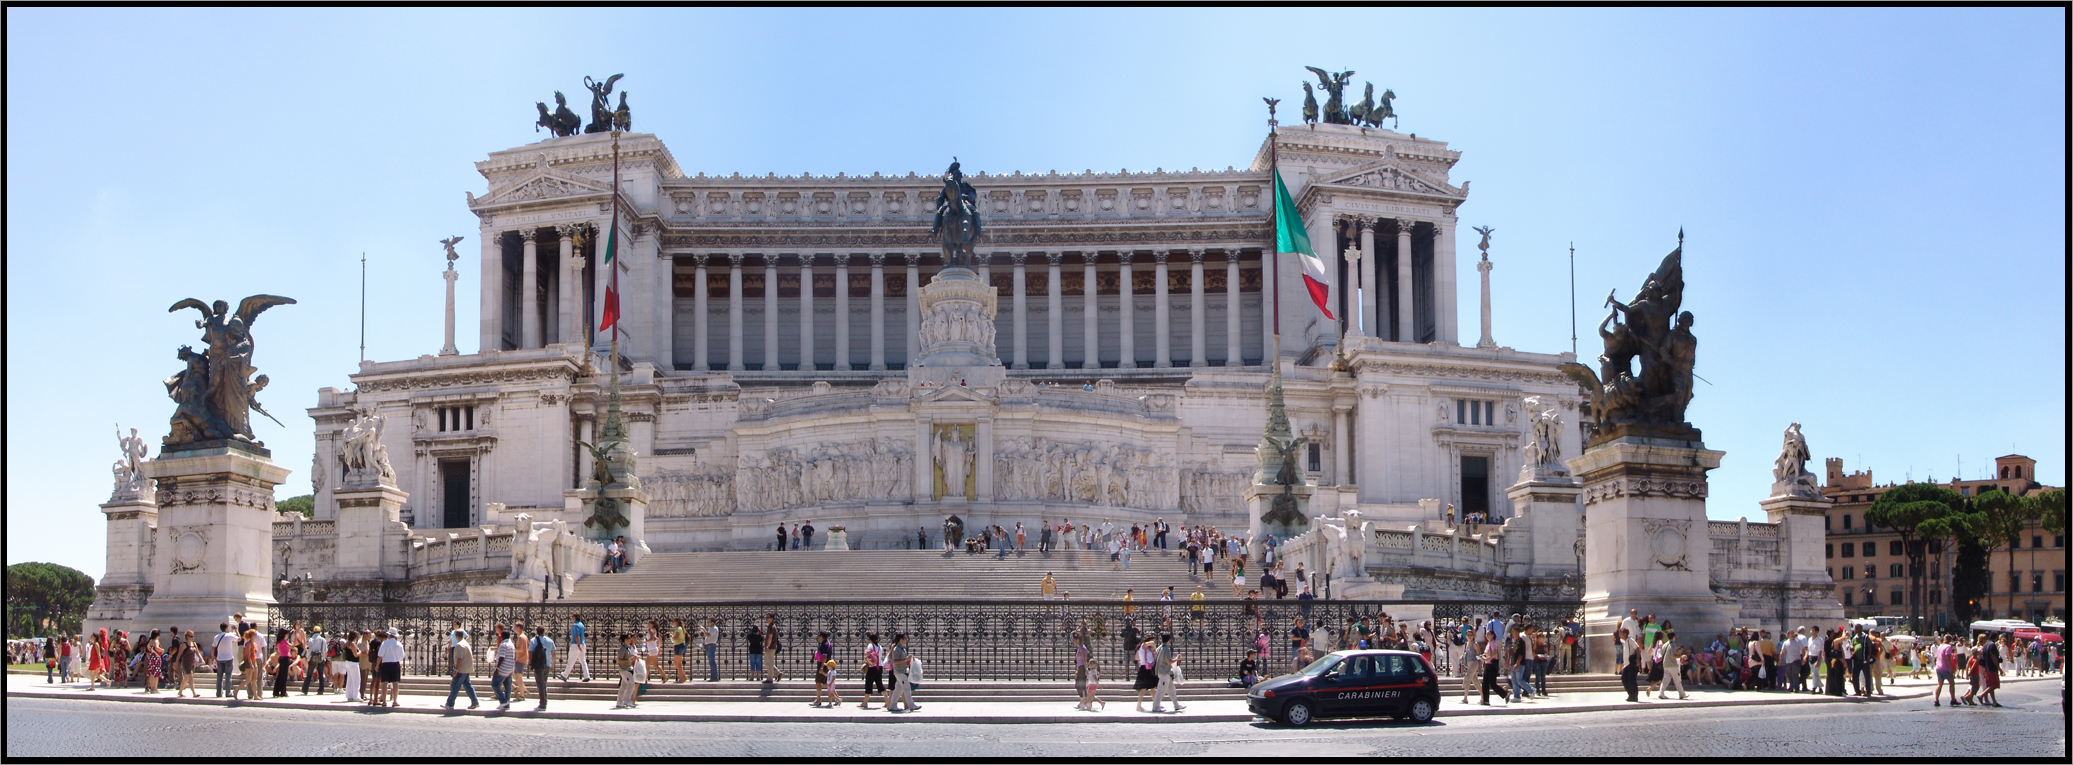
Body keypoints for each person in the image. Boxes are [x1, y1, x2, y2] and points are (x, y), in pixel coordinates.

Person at [442, 628, 480, 710]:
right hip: (467, 669)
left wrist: (456, 669)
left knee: (455, 686)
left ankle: (449, 704)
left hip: (461, 669)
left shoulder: (459, 645)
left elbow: (459, 658)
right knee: (468, 686)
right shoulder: (465, 643)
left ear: (456, 636)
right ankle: (475, 701)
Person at [1153, 633, 1184, 713]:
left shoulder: (1159, 647)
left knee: (1172, 690)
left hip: (1163, 672)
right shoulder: (1166, 649)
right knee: (1161, 690)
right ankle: (1156, 707)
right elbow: (1168, 661)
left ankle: (1176, 705)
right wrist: (1176, 659)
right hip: (1164, 672)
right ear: (1169, 639)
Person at [528, 626, 555, 711]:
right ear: (544, 631)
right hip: (547, 664)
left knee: (540, 684)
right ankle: (544, 701)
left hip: (538, 665)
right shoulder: (550, 641)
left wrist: (530, 664)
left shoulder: (533, 641)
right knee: (544, 684)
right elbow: (553, 653)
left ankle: (543, 704)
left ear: (537, 632)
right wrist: (552, 664)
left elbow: (531, 653)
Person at [488, 627, 516, 711]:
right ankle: (507, 703)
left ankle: (503, 701)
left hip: (503, 669)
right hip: (510, 668)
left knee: (495, 684)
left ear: (502, 637)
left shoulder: (503, 645)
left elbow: (501, 657)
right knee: (507, 687)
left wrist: (497, 668)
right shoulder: (511, 644)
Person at [886, 633, 916, 713]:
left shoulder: (902, 648)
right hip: (899, 671)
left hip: (902, 670)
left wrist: (908, 659)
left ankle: (892, 706)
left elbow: (901, 659)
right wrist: (906, 660)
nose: (906, 640)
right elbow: (895, 661)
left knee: (898, 690)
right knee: (907, 688)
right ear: (901, 639)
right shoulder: (897, 649)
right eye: (905, 638)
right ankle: (911, 705)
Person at [378, 628, 405, 707]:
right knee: (395, 683)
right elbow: (402, 656)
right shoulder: (399, 644)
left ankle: (384, 701)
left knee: (384, 683)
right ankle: (395, 701)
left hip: (386, 664)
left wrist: (377, 665)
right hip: (395, 663)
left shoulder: (385, 643)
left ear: (389, 635)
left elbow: (380, 655)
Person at [1483, 627, 1509, 705]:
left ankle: (1505, 694)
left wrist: (1488, 658)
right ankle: (1486, 700)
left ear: (1493, 635)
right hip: (1487, 664)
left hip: (1492, 665)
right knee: (1485, 683)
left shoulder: (1493, 643)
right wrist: (1483, 656)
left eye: (1489, 634)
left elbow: (1495, 654)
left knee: (1492, 684)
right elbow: (1486, 653)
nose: (1487, 635)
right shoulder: (1488, 643)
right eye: (1486, 634)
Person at [860, 633, 886, 710]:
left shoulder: (870, 645)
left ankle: (865, 703)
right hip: (879, 666)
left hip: (872, 667)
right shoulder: (879, 646)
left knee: (868, 684)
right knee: (879, 684)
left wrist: (865, 658)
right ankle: (887, 700)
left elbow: (868, 654)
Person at [1930, 633, 1958, 707]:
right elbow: (1948, 658)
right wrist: (1951, 668)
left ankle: (1936, 700)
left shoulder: (1940, 646)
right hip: (1945, 668)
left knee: (1939, 684)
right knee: (1952, 683)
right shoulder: (1948, 647)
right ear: (1950, 640)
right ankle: (1953, 699)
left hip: (1938, 667)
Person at [1133, 636, 1159, 712]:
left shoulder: (1149, 650)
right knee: (1143, 688)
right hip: (1144, 669)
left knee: (1153, 688)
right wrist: (1154, 647)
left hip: (1150, 669)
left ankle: (1155, 704)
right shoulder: (1143, 646)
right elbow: (1151, 643)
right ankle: (1139, 706)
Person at [562, 614, 591, 682]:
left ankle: (564, 675)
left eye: (572, 617)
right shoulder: (581, 624)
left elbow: (577, 635)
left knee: (571, 660)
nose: (572, 618)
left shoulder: (575, 625)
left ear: (575, 617)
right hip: (583, 644)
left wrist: (578, 645)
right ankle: (587, 676)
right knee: (583, 661)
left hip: (576, 645)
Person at [301, 627, 329, 695]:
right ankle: (321, 690)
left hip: (312, 658)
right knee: (321, 674)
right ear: (320, 632)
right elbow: (325, 650)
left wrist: (308, 657)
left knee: (309, 674)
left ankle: (305, 689)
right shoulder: (323, 640)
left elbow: (309, 650)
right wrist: (323, 658)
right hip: (320, 658)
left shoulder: (311, 640)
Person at [336, 630, 361, 703]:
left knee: (350, 679)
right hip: (353, 662)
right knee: (356, 680)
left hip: (348, 662)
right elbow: (355, 654)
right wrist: (360, 652)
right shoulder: (352, 644)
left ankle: (349, 695)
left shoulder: (346, 643)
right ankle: (356, 696)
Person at [614, 634, 639, 709]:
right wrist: (629, 660)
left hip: (627, 668)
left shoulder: (627, 648)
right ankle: (627, 700)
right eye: (629, 638)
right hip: (624, 669)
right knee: (631, 684)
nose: (630, 639)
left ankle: (619, 702)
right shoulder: (623, 648)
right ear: (625, 639)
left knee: (623, 686)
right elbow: (619, 660)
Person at [701, 618, 721, 682]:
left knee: (712, 662)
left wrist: (704, 630)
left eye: (709, 622)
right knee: (711, 662)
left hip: (711, 646)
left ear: (713, 622)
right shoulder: (711, 629)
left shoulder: (714, 628)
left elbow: (709, 635)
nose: (708, 623)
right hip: (708, 645)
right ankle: (713, 676)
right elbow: (707, 636)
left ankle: (714, 677)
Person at [670, 619, 688, 683]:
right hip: (680, 645)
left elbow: (676, 639)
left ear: (677, 622)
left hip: (679, 645)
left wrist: (672, 636)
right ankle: (684, 676)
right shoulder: (680, 628)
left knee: (677, 663)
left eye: (673, 621)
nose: (673, 623)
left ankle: (681, 679)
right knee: (676, 663)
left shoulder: (678, 629)